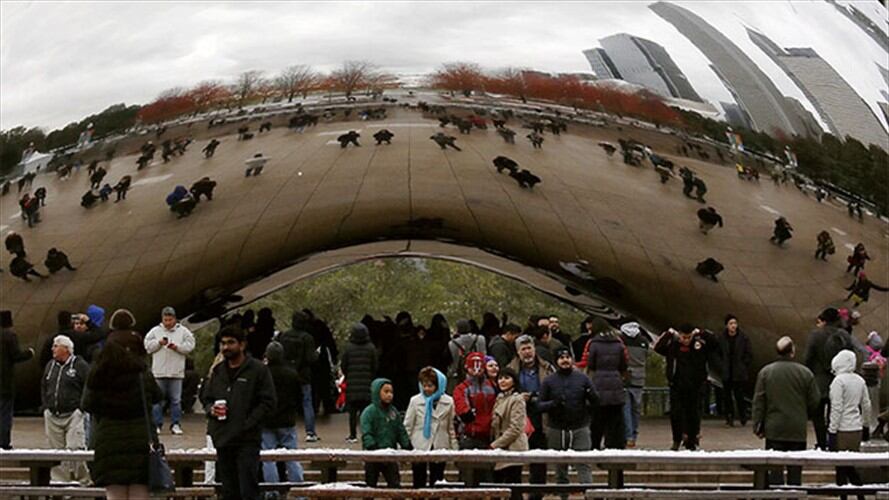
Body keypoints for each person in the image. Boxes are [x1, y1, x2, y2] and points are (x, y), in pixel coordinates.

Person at [81, 329, 161, 500]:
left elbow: (87, 404)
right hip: (141, 439)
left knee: (114, 494)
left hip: (109, 440)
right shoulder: (142, 375)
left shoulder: (99, 377)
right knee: (140, 491)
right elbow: (157, 396)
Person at [201, 327, 277, 500]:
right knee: (228, 490)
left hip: (247, 440)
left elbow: (268, 402)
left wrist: (248, 423)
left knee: (247, 489)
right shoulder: (218, 371)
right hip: (223, 438)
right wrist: (211, 409)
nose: (226, 347)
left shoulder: (258, 370)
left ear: (242, 345)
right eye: (223, 343)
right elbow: (206, 398)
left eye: (230, 343)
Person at [752, 336, 820, 485]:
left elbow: (759, 401)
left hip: (774, 428)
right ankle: (794, 491)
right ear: (792, 351)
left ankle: (776, 491)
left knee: (774, 468)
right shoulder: (805, 373)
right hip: (797, 428)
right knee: (795, 469)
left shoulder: (766, 372)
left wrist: (758, 424)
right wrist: (803, 413)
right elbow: (815, 400)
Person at [540, 347, 597, 496]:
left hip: (580, 426)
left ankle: (589, 494)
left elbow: (596, 402)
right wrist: (553, 404)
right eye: (561, 358)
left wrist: (591, 396)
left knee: (583, 463)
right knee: (560, 466)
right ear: (556, 361)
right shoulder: (549, 380)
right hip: (557, 428)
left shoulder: (583, 379)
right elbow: (539, 405)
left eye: (567, 357)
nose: (565, 360)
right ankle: (563, 496)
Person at [654, 324, 720, 450]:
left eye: (689, 337)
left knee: (694, 414)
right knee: (676, 414)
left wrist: (701, 332)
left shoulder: (699, 346)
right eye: (684, 337)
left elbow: (715, 343)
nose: (686, 340)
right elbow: (658, 348)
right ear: (679, 335)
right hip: (677, 385)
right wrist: (668, 334)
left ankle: (692, 440)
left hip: (696, 385)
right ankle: (677, 439)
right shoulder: (673, 346)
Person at [508, 335, 555, 498]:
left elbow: (553, 391)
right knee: (516, 460)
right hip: (518, 417)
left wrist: (536, 397)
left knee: (538, 460)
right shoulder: (510, 369)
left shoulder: (547, 368)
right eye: (523, 349)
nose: (527, 352)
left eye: (529, 348)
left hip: (540, 416)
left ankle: (536, 494)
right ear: (518, 352)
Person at [41, 335, 90, 483]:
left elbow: (88, 386)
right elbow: (44, 385)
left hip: (73, 414)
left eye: (56, 346)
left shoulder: (80, 365)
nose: (52, 349)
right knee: (56, 451)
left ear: (66, 349)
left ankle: (83, 480)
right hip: (53, 414)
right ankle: (60, 482)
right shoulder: (50, 365)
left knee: (75, 448)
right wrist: (45, 406)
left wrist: (81, 407)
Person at [144, 306, 195, 435]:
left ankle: (176, 423)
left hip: (176, 372)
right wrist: (159, 343)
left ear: (175, 319)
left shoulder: (183, 331)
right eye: (165, 320)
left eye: (170, 320)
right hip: (159, 372)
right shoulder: (155, 331)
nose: (167, 323)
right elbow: (147, 346)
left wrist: (177, 347)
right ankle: (157, 424)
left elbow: (190, 346)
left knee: (176, 400)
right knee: (157, 400)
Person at [260, 342, 304, 489]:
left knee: (268, 458)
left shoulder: (263, 374)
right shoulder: (291, 373)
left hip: (267, 420)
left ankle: (272, 489)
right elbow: (299, 396)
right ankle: (298, 489)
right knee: (292, 457)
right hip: (287, 420)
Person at [403, 367, 456, 488]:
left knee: (437, 480)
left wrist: (454, 447)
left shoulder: (449, 401)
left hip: (440, 444)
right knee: (418, 480)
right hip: (419, 444)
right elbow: (408, 425)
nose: (426, 389)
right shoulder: (415, 401)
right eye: (424, 385)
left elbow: (451, 427)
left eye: (430, 385)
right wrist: (406, 447)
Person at [828, 350, 871, 494]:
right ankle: (858, 492)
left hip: (842, 429)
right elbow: (866, 405)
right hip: (856, 428)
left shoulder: (838, 381)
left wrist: (832, 430)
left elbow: (837, 407)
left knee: (841, 466)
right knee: (851, 463)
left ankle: (848, 493)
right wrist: (865, 425)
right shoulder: (860, 380)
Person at [454, 352, 497, 484]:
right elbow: (462, 409)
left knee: (487, 478)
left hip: (488, 436)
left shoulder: (492, 387)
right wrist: (466, 413)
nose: (477, 371)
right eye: (473, 367)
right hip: (469, 435)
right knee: (468, 477)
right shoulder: (462, 388)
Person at [360, 378, 412, 487]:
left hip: (390, 453)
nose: (389, 395)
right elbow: (366, 431)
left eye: (391, 392)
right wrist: (371, 446)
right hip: (373, 454)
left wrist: (406, 444)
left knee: (394, 483)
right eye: (386, 392)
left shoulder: (393, 412)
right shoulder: (369, 412)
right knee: (370, 484)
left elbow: (400, 430)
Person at [584, 320, 627, 449]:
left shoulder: (594, 344)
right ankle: (614, 445)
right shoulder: (618, 343)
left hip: (599, 382)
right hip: (616, 382)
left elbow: (591, 364)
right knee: (615, 419)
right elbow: (623, 364)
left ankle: (595, 445)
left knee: (597, 420)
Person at [277, 311, 319, 442]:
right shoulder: (307, 338)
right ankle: (310, 432)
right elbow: (310, 358)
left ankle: (283, 429)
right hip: (303, 374)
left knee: (285, 401)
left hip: (286, 374)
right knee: (307, 402)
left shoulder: (284, 336)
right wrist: (317, 354)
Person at [490, 368, 528, 500]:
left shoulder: (517, 399)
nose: (502, 381)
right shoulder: (500, 398)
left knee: (513, 487)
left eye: (506, 378)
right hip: (500, 448)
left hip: (513, 448)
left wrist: (495, 445)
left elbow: (515, 428)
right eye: (500, 378)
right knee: (497, 486)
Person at [1, 311, 34, 449]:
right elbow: (16, 355)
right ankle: (3, 442)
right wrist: (29, 353)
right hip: (5, 383)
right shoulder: (10, 336)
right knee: (5, 414)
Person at [341, 323, 377, 444]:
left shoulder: (348, 348)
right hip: (366, 384)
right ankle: (366, 434)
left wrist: (348, 376)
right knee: (365, 412)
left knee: (352, 412)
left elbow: (344, 365)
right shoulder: (371, 348)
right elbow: (375, 366)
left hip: (352, 385)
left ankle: (352, 435)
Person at [718, 315, 753, 427]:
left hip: (738, 371)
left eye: (735, 323)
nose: (733, 326)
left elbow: (748, 353)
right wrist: (721, 365)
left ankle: (743, 415)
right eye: (731, 324)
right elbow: (718, 353)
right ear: (726, 326)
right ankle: (729, 417)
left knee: (739, 395)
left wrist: (743, 364)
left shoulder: (743, 338)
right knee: (727, 396)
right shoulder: (722, 338)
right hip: (727, 371)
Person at [619, 321, 650, 448]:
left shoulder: (621, 340)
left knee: (625, 409)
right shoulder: (644, 341)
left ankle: (628, 436)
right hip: (640, 377)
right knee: (636, 410)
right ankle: (634, 435)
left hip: (625, 377)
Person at [446, 319, 487, 392]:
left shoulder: (452, 343)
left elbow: (451, 360)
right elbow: (484, 354)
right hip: (479, 372)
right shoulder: (480, 339)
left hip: (458, 374)